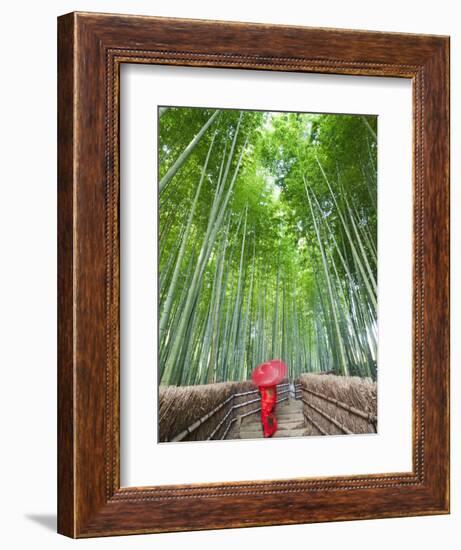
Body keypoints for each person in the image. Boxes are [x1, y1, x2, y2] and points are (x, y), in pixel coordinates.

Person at [251, 359, 287, 438]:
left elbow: (260, 392)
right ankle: (271, 430)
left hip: (265, 403)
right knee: (271, 415)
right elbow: (274, 392)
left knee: (265, 416)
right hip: (272, 401)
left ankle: (267, 432)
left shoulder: (261, 381)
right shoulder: (272, 380)